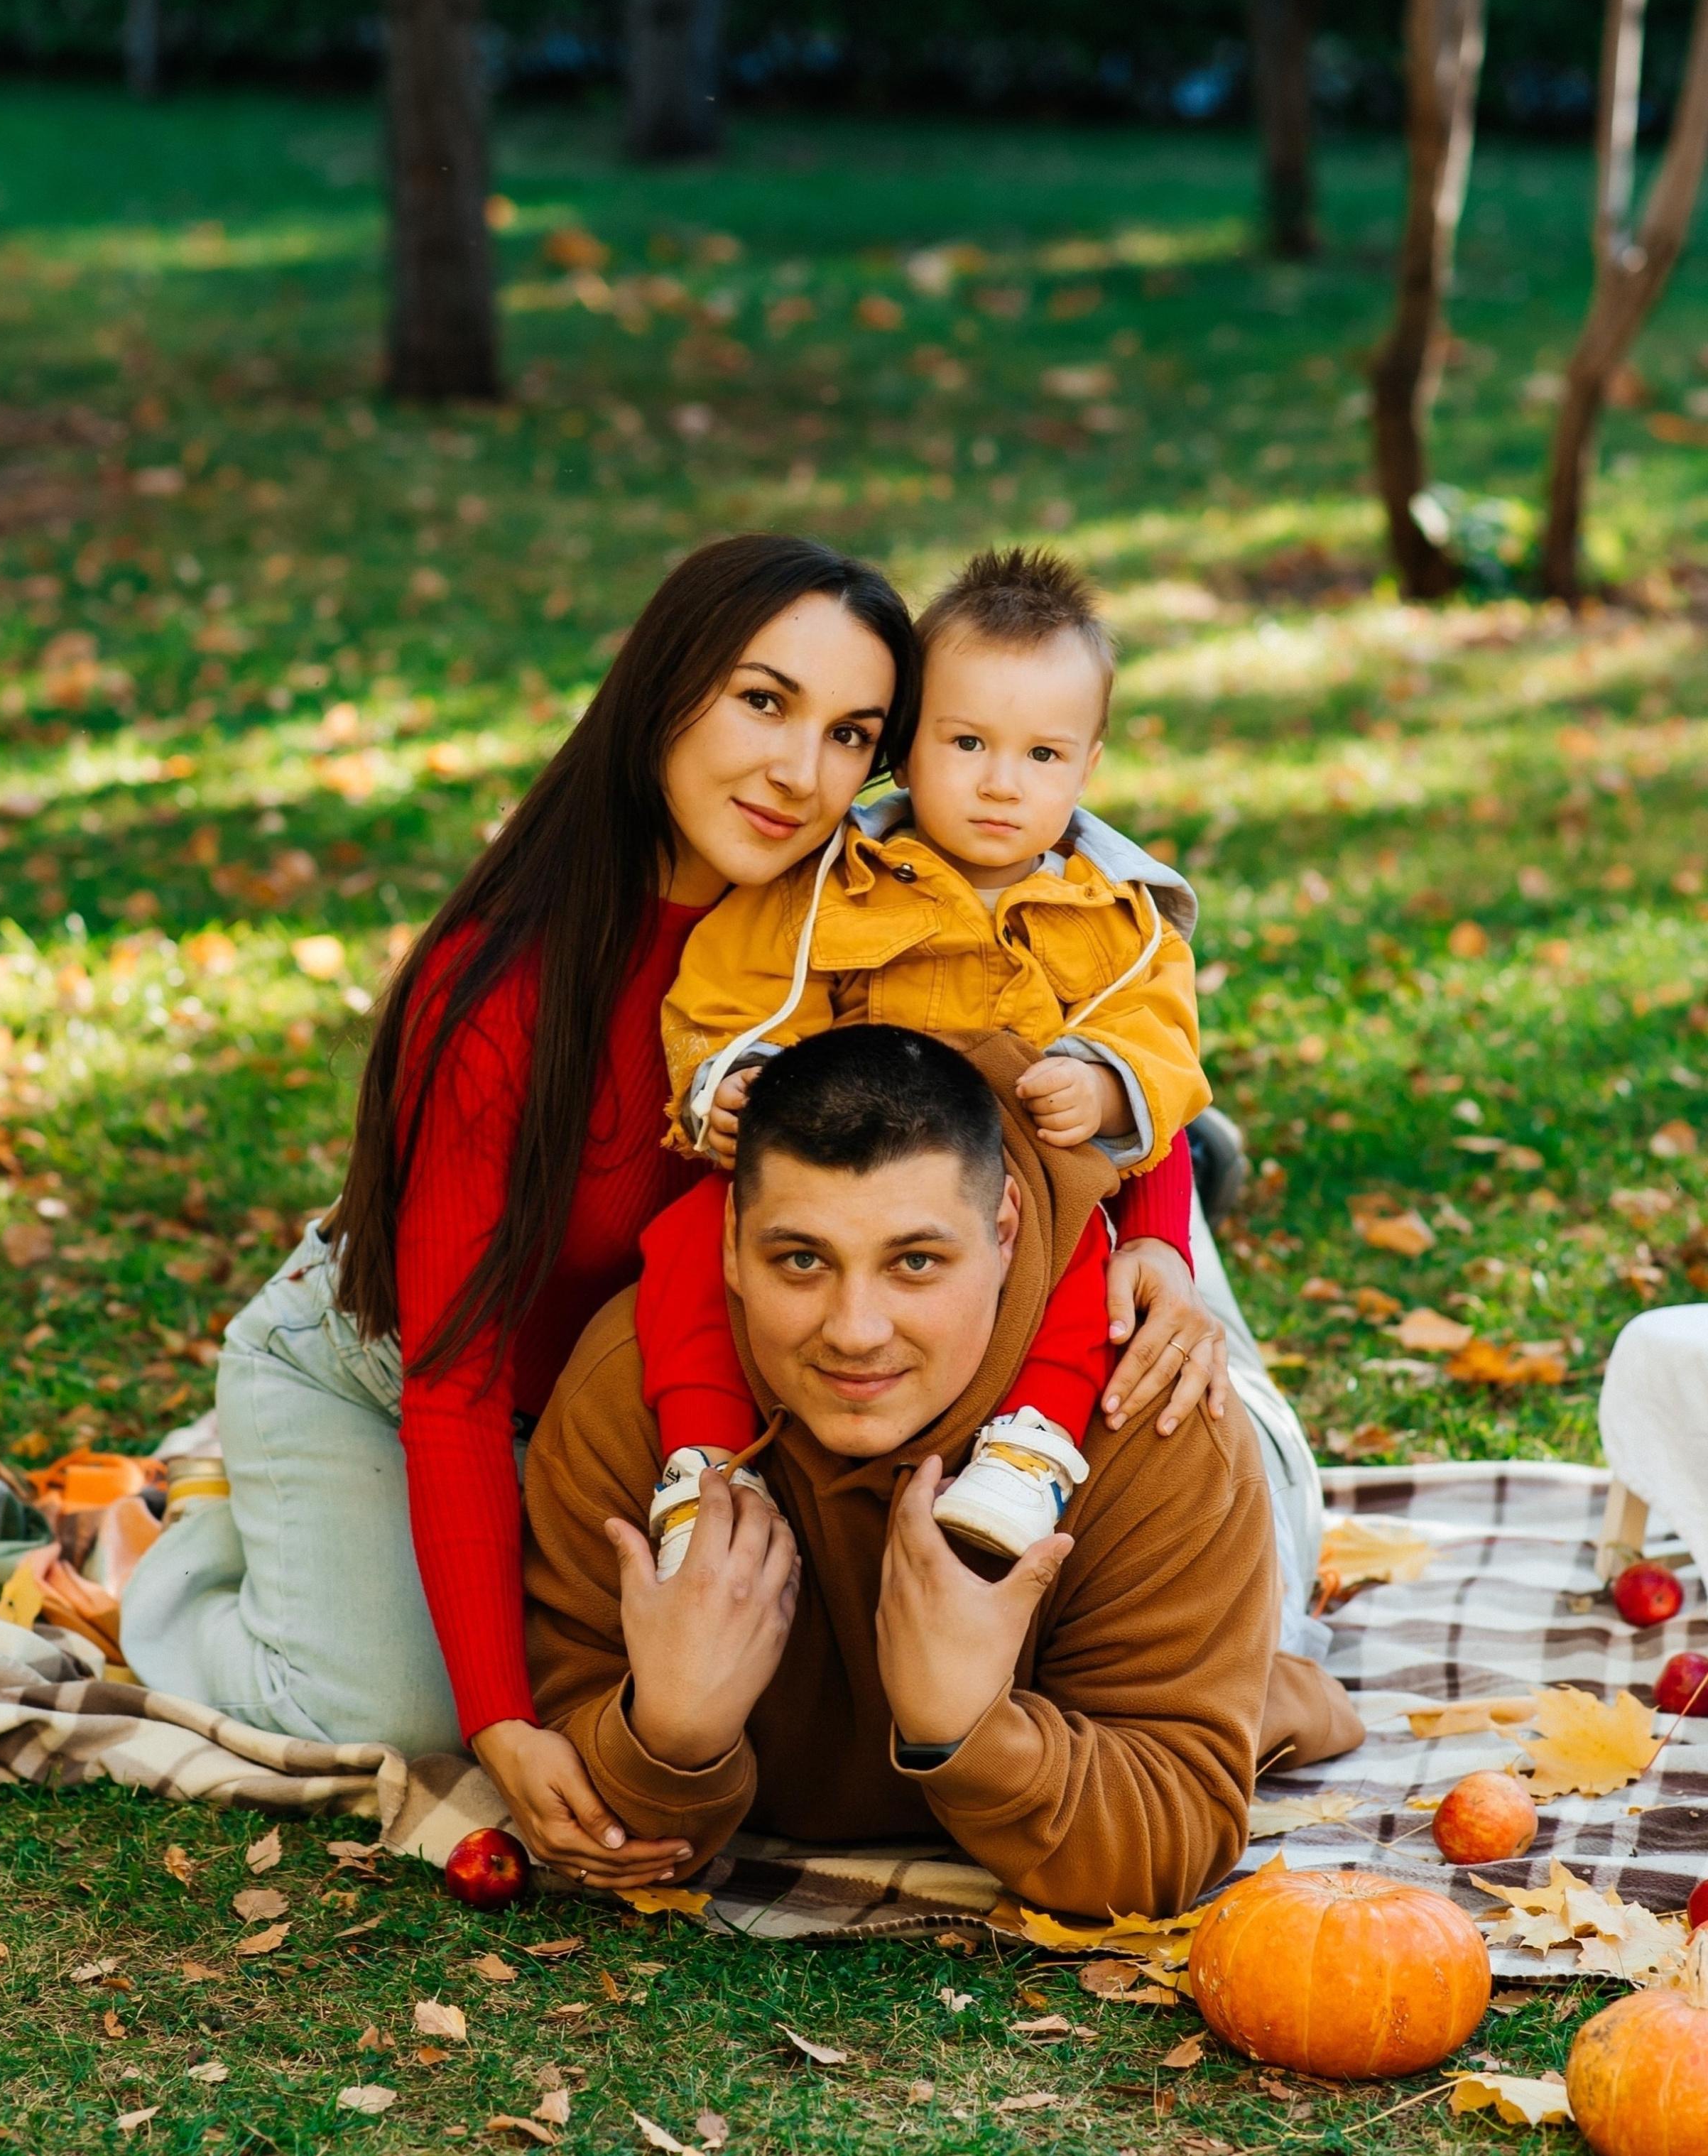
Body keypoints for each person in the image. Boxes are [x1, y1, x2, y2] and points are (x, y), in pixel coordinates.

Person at [121, 533, 1226, 1891]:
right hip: (411, 1367)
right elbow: (455, 1381)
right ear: (665, 690)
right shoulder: (503, 987)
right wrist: (500, 1719)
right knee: (394, 1715)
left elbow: (1090, 1021)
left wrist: (1165, 1233)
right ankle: (144, 1568)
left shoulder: (857, 909)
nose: (796, 770)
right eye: (761, 701)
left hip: (642, 1381)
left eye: (850, 733)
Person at [525, 1026, 1361, 1915]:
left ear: (1001, 1232)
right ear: (730, 1244)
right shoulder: (625, 1390)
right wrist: (672, 1735)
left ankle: (1169, 1163)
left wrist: (971, 1729)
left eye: (914, 1261)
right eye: (800, 1259)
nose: (855, 1330)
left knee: (1270, 1573)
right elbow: (588, 1809)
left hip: (1197, 1432)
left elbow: (1169, 1836)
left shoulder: (1159, 1403)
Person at [640, 548, 1207, 1575]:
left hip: (1010, 1186)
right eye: (967, 741)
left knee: (1075, 1265)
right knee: (692, 1237)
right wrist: (726, 1076)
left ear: (1088, 762)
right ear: (907, 744)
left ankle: (1030, 1449)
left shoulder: (1115, 919)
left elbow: (1162, 1033)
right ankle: (706, 1462)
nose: (1000, 782)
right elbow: (726, 987)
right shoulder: (832, 882)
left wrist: (1108, 1076)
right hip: (840, 1171)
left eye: (1042, 755)